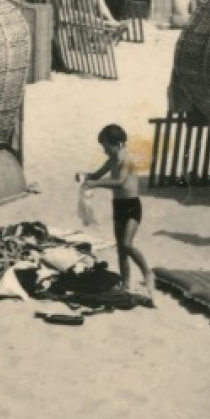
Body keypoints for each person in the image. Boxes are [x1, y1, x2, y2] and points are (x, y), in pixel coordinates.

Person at [76, 123, 153, 297]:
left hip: (132, 206)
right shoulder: (112, 160)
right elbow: (96, 175)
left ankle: (147, 272)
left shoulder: (127, 160)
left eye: (106, 147)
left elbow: (120, 182)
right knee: (120, 248)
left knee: (127, 244)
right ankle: (125, 284)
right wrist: (84, 176)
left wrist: (95, 184)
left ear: (118, 144)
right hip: (118, 206)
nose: (105, 151)